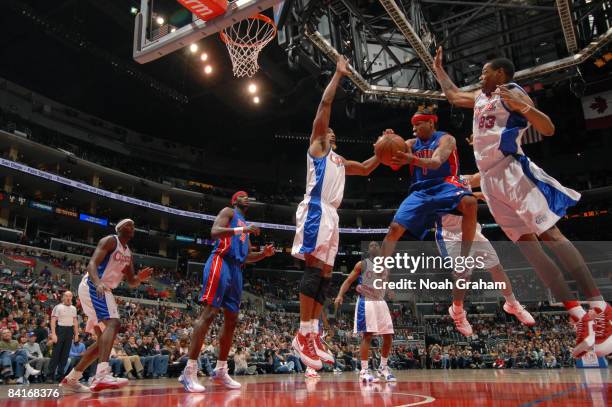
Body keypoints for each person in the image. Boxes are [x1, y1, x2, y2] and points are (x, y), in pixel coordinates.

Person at [432, 47, 611, 357]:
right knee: (531, 250)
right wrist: (438, 69)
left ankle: (600, 307)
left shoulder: (511, 92)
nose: (481, 75)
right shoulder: (479, 98)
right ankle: (578, 316)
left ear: (500, 73)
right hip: (489, 181)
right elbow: (451, 95)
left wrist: (525, 109)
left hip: (512, 171)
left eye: (485, 71)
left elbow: (548, 128)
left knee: (551, 236)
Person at [291, 55, 381, 372]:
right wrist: (339, 75)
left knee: (326, 278)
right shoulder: (317, 148)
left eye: (332, 134)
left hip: (332, 216)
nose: (329, 133)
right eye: (325, 132)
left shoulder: (341, 162)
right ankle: (301, 335)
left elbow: (370, 165)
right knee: (314, 270)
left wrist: (387, 148)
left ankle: (313, 332)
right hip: (316, 209)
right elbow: (324, 106)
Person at [179, 191, 275, 392]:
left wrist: (263, 254)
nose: (246, 197)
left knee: (232, 319)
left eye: (248, 196)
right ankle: (189, 370)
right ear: (234, 200)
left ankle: (221, 369)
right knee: (210, 313)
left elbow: (248, 257)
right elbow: (214, 231)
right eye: (242, 195)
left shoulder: (244, 227)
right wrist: (242, 229)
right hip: (220, 261)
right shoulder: (229, 212)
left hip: (236, 269)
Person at [380, 107, 478, 275]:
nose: (413, 128)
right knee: (395, 228)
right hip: (421, 189)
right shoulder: (410, 144)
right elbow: (394, 164)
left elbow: (436, 162)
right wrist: (387, 140)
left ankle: (463, 258)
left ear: (431, 122)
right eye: (413, 125)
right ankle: (378, 270)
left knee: (470, 202)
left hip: (446, 183)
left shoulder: (446, 139)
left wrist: (412, 159)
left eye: (418, 124)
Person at [434, 174, 535, 335]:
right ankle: (457, 311)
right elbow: (454, 200)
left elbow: (480, 176)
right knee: (463, 275)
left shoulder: (460, 178)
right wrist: (476, 194)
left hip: (472, 232)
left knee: (496, 268)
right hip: (450, 236)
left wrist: (501, 161)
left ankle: (512, 303)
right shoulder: (432, 183)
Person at [61, 219, 154, 392]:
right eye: (128, 224)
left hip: (105, 290)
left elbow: (132, 281)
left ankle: (72, 378)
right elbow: (92, 264)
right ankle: (102, 374)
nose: (132, 227)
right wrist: (97, 283)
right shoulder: (110, 241)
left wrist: (140, 278)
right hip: (94, 285)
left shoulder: (128, 254)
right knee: (114, 323)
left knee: (101, 343)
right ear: (119, 229)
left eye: (134, 225)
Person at [335, 242, 396, 383]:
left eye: (376, 245)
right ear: (368, 250)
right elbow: (349, 281)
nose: (374, 246)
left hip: (380, 301)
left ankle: (383, 367)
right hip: (366, 302)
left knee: (388, 335)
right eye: (371, 245)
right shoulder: (361, 264)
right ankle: (364, 371)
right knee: (367, 336)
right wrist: (339, 295)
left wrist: (389, 291)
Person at [47, 291, 79, 382]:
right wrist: (53, 334)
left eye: (70, 296)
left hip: (69, 331)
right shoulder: (58, 307)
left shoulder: (74, 308)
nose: (69, 298)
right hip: (60, 330)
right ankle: (50, 376)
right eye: (67, 296)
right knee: (55, 355)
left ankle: (60, 376)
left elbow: (75, 322)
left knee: (65, 356)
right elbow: (53, 321)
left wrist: (76, 334)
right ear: (63, 297)